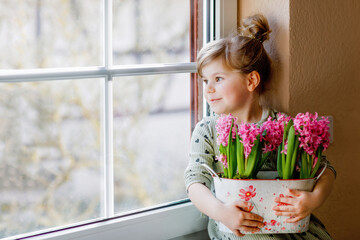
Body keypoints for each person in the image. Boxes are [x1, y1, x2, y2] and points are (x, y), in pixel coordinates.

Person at [184, 14, 336, 240]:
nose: (208, 90)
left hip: (290, 228)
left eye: (218, 79)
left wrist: (313, 199)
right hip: (240, 230)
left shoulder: (284, 127)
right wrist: (222, 212)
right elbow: (194, 180)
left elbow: (325, 170)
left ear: (251, 81)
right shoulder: (207, 130)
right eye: (205, 81)